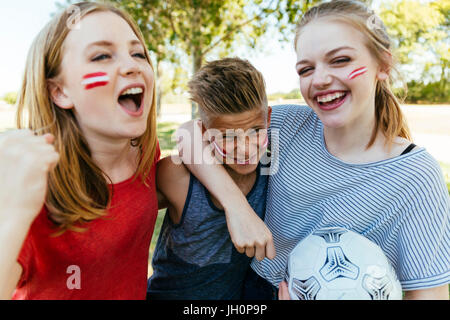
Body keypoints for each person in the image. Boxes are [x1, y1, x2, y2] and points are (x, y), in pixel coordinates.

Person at [178, 0, 449, 300]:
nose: (319, 79)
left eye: (340, 60)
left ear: (383, 65)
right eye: (306, 68)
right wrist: (237, 207)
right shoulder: (286, 129)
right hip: (254, 289)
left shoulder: (416, 175)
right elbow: (189, 135)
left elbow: (428, 294)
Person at [0, 2, 160, 299]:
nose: (132, 65)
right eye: (101, 56)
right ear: (59, 91)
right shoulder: (33, 188)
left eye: (138, 53)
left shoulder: (144, 154)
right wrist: (12, 213)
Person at [147, 58, 273, 299]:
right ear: (205, 132)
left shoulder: (273, 171)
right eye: (228, 137)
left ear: (268, 118)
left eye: (256, 131)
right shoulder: (178, 176)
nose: (246, 150)